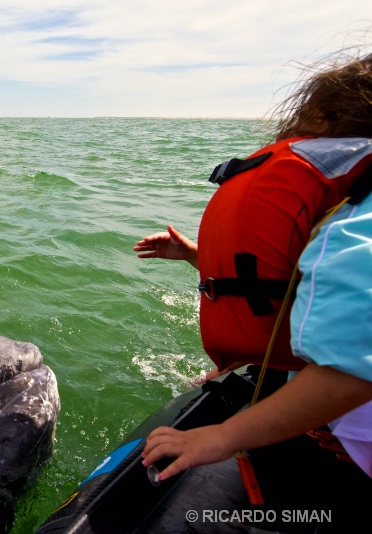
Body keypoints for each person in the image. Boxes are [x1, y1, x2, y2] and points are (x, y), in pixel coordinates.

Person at [134, 49, 372, 483]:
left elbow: (353, 366)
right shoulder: (347, 202)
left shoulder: (361, 213)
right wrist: (194, 255)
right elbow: (281, 285)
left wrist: (221, 437)